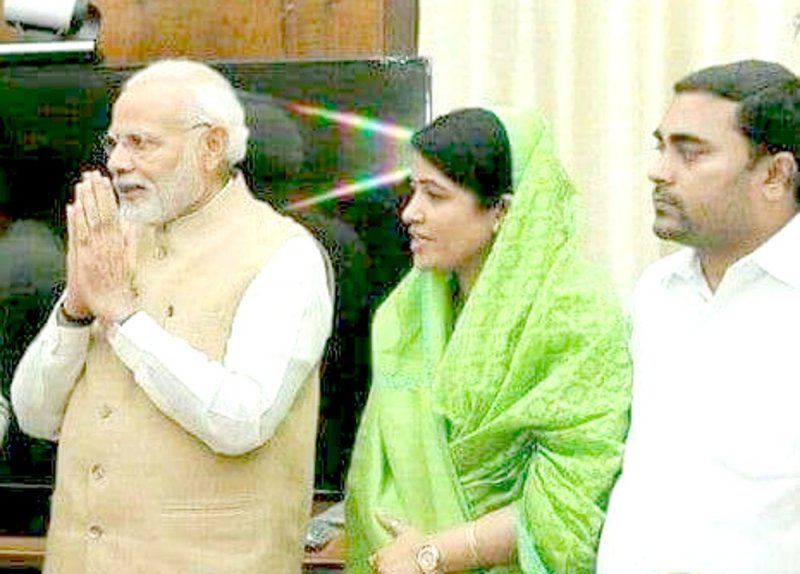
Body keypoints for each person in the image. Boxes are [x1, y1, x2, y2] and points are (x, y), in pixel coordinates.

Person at [10, 59, 334, 573]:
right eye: (114, 143)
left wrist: (124, 317)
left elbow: (241, 419)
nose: (117, 162)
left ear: (211, 147)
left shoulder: (283, 254)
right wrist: (75, 309)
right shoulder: (114, 241)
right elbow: (34, 417)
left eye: (141, 143)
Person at [344, 107, 632, 573]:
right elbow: (382, 473)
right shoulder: (409, 310)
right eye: (413, 190)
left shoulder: (575, 311)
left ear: (502, 210)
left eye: (435, 195)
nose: (410, 213)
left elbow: (574, 495)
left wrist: (432, 555)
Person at [597, 60, 800, 573]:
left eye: (690, 152)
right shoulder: (655, 292)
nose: (659, 171)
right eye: (661, 147)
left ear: (775, 175)